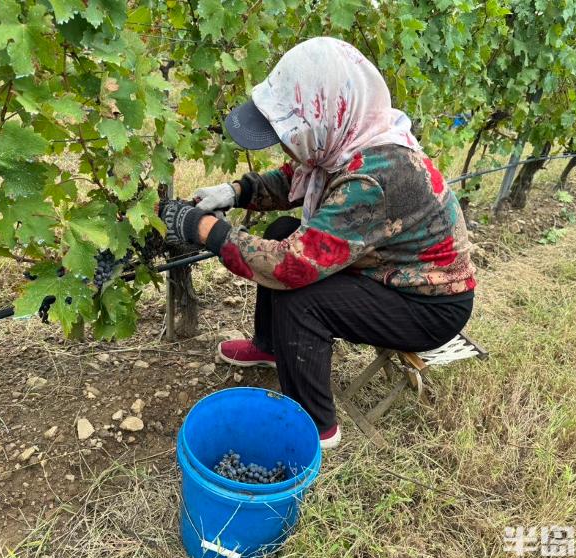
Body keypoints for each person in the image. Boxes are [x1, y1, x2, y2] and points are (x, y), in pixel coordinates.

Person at [159, 37, 476, 449]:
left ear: (324, 115)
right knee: (281, 231)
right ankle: (271, 348)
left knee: (300, 295)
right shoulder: (348, 138)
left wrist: (205, 230)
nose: (283, 144)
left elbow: (291, 268)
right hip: (387, 272)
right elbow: (294, 179)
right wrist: (235, 191)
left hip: (428, 304)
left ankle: (315, 426)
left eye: (288, 132)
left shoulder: (375, 176)